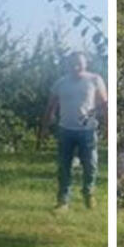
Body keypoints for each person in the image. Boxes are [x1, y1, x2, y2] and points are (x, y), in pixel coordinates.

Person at [42, 52, 108, 210]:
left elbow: (105, 104)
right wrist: (45, 127)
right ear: (67, 65)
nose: (75, 66)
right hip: (65, 130)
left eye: (79, 63)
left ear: (86, 64)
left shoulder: (94, 80)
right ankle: (63, 201)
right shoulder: (60, 83)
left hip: (88, 130)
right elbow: (51, 106)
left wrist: (108, 126)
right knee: (64, 167)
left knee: (90, 165)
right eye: (72, 63)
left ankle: (88, 192)